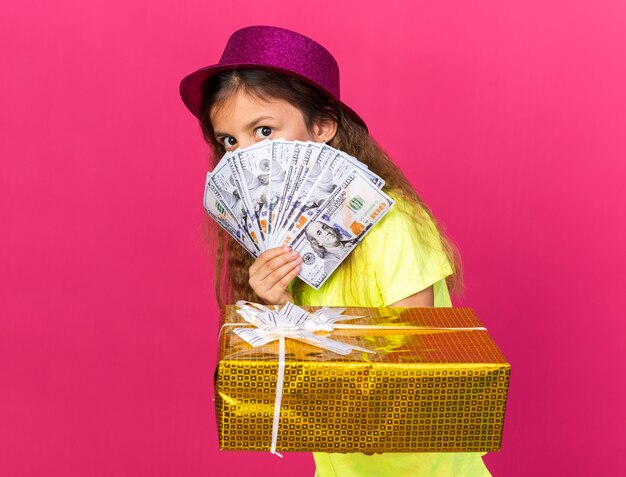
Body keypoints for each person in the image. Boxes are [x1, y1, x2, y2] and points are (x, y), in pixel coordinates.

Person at [180, 25, 491, 477]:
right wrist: (279, 305)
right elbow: (298, 385)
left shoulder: (394, 224)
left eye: (263, 130)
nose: (245, 157)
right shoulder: (278, 240)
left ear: (322, 126)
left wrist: (299, 328)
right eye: (229, 140)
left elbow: (412, 365)